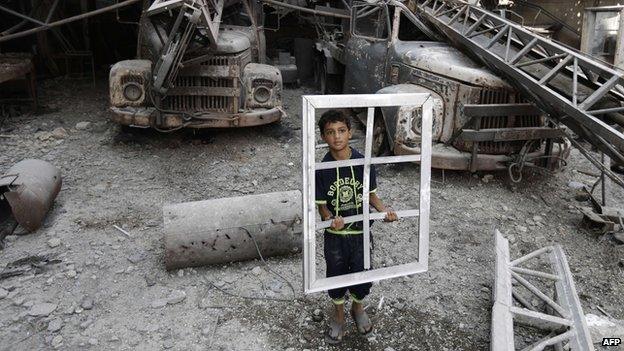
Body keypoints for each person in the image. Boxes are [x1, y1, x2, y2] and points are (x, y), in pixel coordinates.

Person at [315, 109, 398, 344]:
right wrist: (331, 218)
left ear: (350, 132)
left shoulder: (363, 161)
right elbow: (322, 208)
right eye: (330, 132)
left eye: (341, 131)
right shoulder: (322, 169)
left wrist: (384, 211)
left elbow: (372, 196)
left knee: (363, 273)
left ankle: (358, 309)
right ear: (323, 137)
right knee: (337, 274)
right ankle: (339, 315)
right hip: (336, 236)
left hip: (361, 231)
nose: (337, 137)